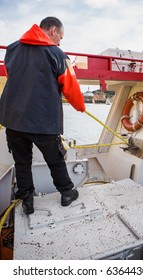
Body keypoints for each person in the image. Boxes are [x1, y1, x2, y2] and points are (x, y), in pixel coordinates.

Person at [0, 16, 86, 215]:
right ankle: (66, 193)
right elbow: (71, 88)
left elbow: (11, 77)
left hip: (13, 120)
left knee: (22, 162)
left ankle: (27, 201)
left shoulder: (12, 49)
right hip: (43, 121)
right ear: (53, 30)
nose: (60, 42)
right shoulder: (57, 53)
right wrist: (81, 107)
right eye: (60, 37)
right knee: (55, 159)